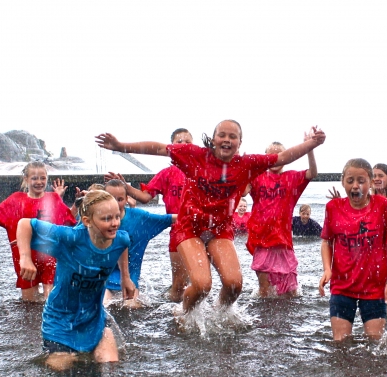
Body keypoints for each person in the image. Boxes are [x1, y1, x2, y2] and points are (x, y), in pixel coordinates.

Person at [95, 121, 326, 318]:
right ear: (213, 139)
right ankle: (184, 313)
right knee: (202, 284)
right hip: (190, 228)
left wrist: (313, 143)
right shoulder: (195, 155)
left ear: (239, 143)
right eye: (222, 135)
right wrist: (121, 146)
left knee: (234, 285)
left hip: (219, 230)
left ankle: (219, 315)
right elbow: (160, 148)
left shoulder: (245, 164)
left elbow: (283, 157)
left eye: (232, 137)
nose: (227, 140)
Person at [15, 189, 134, 371]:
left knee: (111, 366)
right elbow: (25, 224)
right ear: (87, 221)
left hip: (93, 319)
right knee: (61, 370)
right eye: (107, 219)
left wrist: (126, 278)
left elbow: (123, 245)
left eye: (117, 217)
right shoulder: (70, 238)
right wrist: (25, 258)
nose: (115, 223)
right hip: (60, 321)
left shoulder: (120, 238)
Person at [0, 163, 76, 302]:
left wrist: (77, 204)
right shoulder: (16, 200)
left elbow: (68, 220)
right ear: (26, 179)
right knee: (29, 303)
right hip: (25, 258)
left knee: (52, 302)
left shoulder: (54, 199)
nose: (39, 182)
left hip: (51, 258)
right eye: (34, 178)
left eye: (42, 178)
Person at [107, 128, 192, 301]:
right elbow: (145, 197)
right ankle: (171, 307)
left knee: (201, 281)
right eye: (179, 141)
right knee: (179, 284)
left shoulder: (200, 171)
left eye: (187, 142)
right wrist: (126, 187)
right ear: (171, 147)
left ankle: (196, 311)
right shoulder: (166, 174)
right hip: (179, 230)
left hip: (201, 230)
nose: (183, 145)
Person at [319, 158, 387, 341]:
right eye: (350, 181)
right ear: (343, 182)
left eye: (361, 181)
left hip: (374, 287)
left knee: (374, 343)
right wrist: (327, 269)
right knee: (340, 343)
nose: (355, 186)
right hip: (342, 286)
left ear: (370, 183)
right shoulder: (333, 207)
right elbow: (326, 241)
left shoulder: (382, 205)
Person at [246, 138, 318, 297]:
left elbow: (312, 173)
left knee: (291, 291)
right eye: (271, 155)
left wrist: (310, 149)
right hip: (262, 241)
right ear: (265, 157)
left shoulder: (292, 178)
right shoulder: (257, 177)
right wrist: (243, 167)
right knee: (264, 290)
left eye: (279, 155)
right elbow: (243, 192)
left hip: (283, 241)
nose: (275, 159)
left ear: (287, 157)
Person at [102, 179, 175, 307]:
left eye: (119, 199)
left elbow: (166, 219)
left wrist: (197, 217)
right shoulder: (97, 219)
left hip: (130, 279)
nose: (115, 204)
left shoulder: (139, 218)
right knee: (103, 306)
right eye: (111, 199)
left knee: (131, 306)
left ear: (126, 199)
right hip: (104, 280)